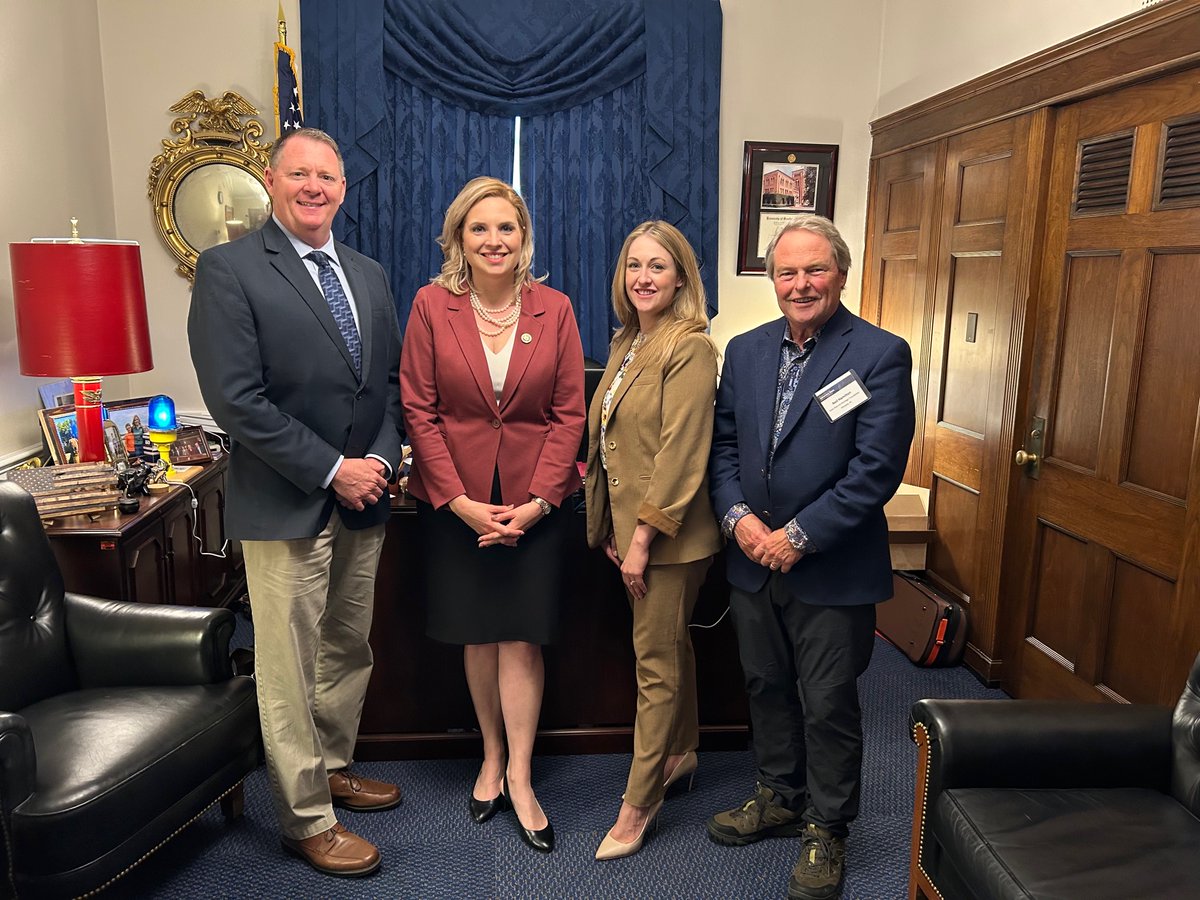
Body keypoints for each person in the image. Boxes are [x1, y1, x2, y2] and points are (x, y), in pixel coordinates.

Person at [187, 127, 405, 879]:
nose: (315, 187)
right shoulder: (229, 270)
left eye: (328, 177)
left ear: (344, 188)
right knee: (287, 666)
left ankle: (332, 767)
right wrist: (332, 469)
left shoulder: (370, 274)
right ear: (272, 181)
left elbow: (387, 386)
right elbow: (237, 402)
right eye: (300, 174)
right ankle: (306, 819)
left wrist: (377, 458)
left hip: (362, 503)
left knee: (347, 648)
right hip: (285, 504)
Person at [706, 215, 914, 900]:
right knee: (764, 684)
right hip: (750, 560)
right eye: (786, 272)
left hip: (831, 566)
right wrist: (739, 521)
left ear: (841, 274)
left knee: (827, 702)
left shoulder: (879, 353)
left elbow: (874, 470)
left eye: (814, 270)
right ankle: (778, 795)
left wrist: (794, 537)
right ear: (771, 279)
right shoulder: (744, 350)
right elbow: (726, 447)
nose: (800, 284)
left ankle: (828, 828)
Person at [399, 177, 584, 854]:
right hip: (458, 505)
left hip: (534, 503)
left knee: (521, 638)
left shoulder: (554, 308)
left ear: (524, 237)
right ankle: (490, 758)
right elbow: (418, 409)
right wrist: (457, 501)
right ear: (459, 238)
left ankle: (525, 776)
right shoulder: (430, 306)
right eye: (480, 228)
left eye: (507, 228)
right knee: (479, 635)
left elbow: (570, 414)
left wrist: (539, 502)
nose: (494, 240)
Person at [584, 221, 720, 860]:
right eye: (634, 264)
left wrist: (639, 540)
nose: (643, 277)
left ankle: (638, 805)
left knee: (654, 666)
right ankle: (682, 752)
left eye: (658, 266)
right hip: (632, 528)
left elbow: (679, 454)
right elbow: (612, 443)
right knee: (671, 647)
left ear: (681, 277)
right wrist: (610, 525)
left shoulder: (689, 347)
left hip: (670, 539)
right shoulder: (628, 340)